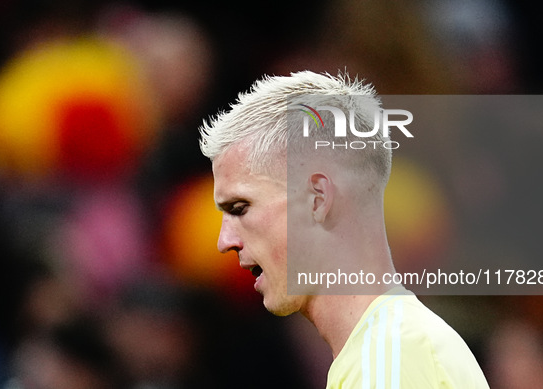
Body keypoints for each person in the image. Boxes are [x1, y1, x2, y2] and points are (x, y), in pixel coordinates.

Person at [199, 71, 490, 388]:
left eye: (241, 208)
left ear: (317, 199)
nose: (224, 241)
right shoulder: (389, 351)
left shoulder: (387, 361)